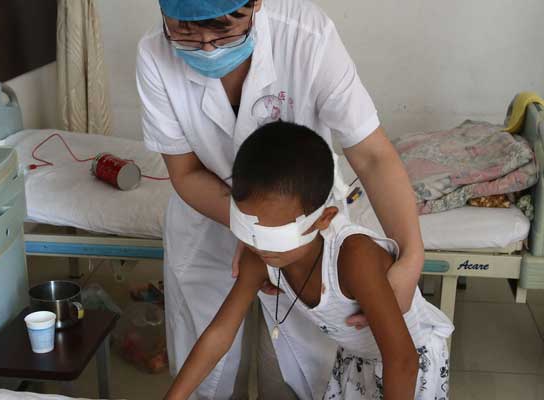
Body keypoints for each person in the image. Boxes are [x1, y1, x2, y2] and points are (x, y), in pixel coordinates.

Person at [137, 0, 425, 398]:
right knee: (214, 382)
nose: (206, 46)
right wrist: (254, 227)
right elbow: (185, 173)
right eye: (184, 30)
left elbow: (373, 156)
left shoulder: (307, 37)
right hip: (212, 224)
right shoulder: (153, 53)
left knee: (297, 374)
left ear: (255, 3)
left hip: (300, 225)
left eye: (224, 28)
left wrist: (412, 256)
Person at [164, 121, 453, 400]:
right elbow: (220, 333)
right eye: (250, 229)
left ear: (324, 219)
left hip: (410, 362)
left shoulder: (354, 258)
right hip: (358, 358)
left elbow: (402, 360)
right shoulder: (259, 256)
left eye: (275, 235)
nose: (261, 245)